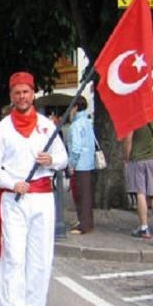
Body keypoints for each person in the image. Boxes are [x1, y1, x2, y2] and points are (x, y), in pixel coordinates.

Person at [0, 72, 68, 306]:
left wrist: (51, 160)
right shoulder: (2, 129)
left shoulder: (47, 127)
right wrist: (12, 182)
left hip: (43, 199)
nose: (22, 97)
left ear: (33, 94)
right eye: (17, 92)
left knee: (40, 256)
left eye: (26, 92)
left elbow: (63, 158)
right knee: (14, 256)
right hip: (14, 199)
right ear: (11, 96)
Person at [67, 96, 96, 235]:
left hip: (80, 164)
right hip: (89, 162)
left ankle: (83, 225)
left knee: (80, 195)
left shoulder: (75, 125)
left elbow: (76, 147)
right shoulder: (88, 122)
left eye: (71, 107)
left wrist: (71, 164)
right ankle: (87, 221)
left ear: (76, 107)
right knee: (87, 194)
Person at [123, 122, 153, 239]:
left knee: (140, 193)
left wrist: (126, 159)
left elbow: (128, 141)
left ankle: (144, 227)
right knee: (152, 194)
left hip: (138, 159)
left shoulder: (134, 120)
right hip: (152, 159)